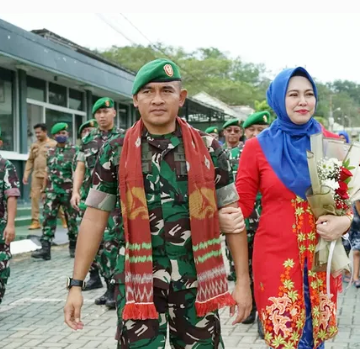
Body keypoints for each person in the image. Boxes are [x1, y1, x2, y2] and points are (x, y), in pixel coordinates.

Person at [64, 59, 252, 348]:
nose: (157, 99)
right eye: (148, 92)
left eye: (166, 90)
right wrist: (76, 285)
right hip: (138, 283)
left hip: (197, 282)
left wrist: (242, 283)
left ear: (182, 97)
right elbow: (93, 219)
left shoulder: (209, 149)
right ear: (136, 100)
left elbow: (232, 216)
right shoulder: (114, 151)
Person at [237, 67, 351, 349]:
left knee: (315, 341)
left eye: (309, 94)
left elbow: (341, 204)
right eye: (293, 94)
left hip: (320, 259)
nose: (303, 101)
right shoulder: (256, 147)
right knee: (286, 339)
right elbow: (241, 207)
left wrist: (345, 222)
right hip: (276, 261)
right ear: (279, 99)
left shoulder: (329, 143)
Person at [71, 98, 125, 308]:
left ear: (114, 112)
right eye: (98, 113)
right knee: (99, 247)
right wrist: (75, 191)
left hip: (115, 202)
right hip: (92, 201)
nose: (102, 116)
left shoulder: (124, 137)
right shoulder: (88, 141)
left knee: (112, 244)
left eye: (105, 111)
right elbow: (80, 167)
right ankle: (108, 286)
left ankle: (115, 288)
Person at [239, 111, 270, 329]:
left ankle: (264, 314)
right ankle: (250, 308)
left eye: (261, 130)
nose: (256, 134)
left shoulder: (275, 154)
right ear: (245, 132)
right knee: (245, 267)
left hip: (267, 224)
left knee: (265, 270)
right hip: (243, 223)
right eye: (252, 130)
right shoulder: (233, 155)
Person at [31, 123, 78, 260]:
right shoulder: (50, 151)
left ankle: (74, 247)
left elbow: (78, 172)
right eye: (58, 134)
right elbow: (47, 172)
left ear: (67, 134)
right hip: (52, 191)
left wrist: (77, 192)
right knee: (47, 219)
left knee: (72, 221)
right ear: (54, 136)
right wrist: (44, 191)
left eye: (64, 133)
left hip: (69, 191)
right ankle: (45, 249)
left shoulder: (74, 150)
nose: (61, 136)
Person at [22, 123, 58, 230]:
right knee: (34, 197)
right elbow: (30, 160)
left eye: (39, 132)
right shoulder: (34, 145)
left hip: (50, 176)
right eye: (35, 133)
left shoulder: (53, 144)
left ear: (45, 131)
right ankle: (35, 221)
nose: (37, 135)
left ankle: (64, 219)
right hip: (36, 176)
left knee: (55, 197)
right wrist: (26, 174)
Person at [222, 118, 244, 281]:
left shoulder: (246, 151)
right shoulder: (218, 151)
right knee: (228, 239)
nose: (232, 134)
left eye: (236, 131)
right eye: (229, 131)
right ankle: (232, 268)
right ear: (224, 133)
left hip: (243, 201)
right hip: (225, 202)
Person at [0, 127, 20, 306]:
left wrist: (10, 224)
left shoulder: (6, 166)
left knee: (1, 266)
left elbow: (11, 195)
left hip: (1, 226)